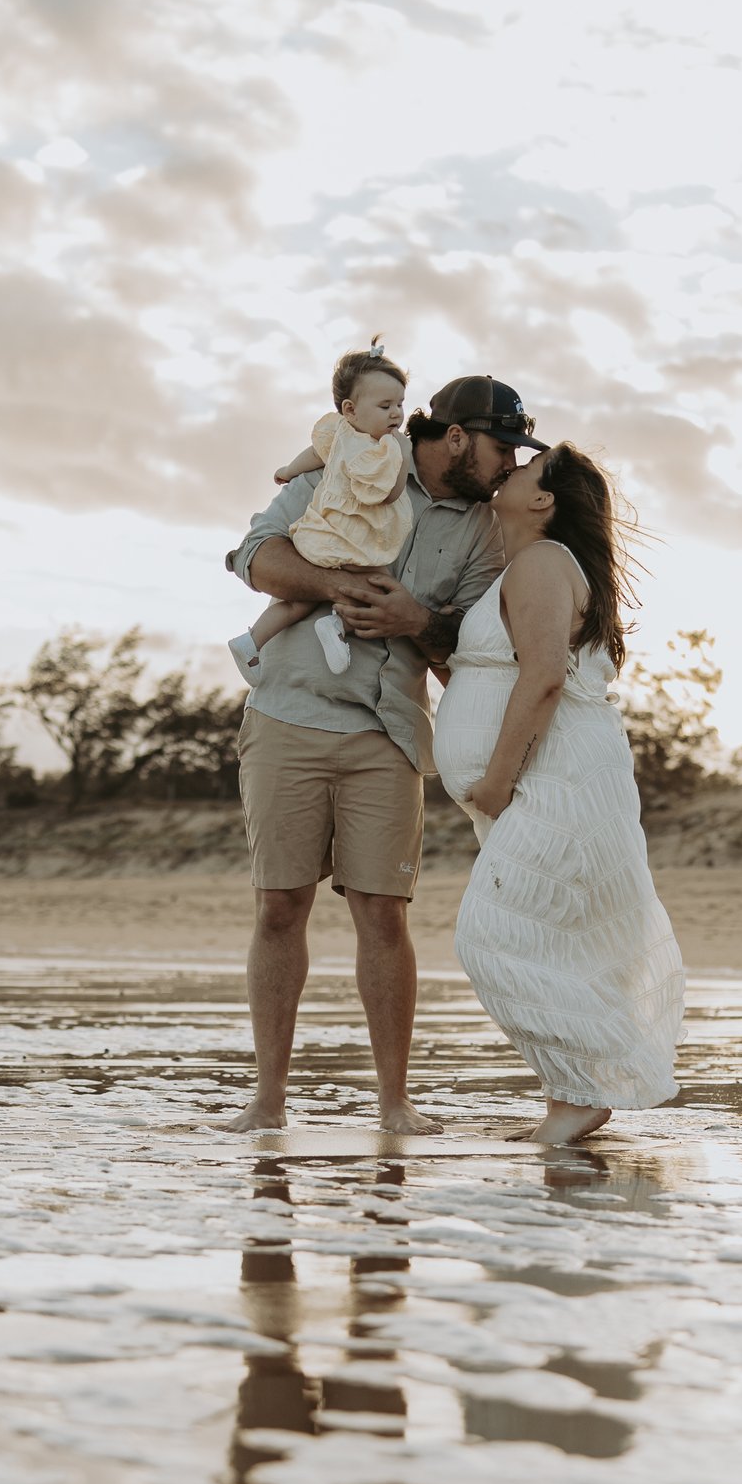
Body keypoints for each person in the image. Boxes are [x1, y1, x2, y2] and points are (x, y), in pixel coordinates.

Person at [221, 375, 543, 1135]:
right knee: (277, 908)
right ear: (458, 437)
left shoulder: (483, 534)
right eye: (502, 448)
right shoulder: (354, 459)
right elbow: (253, 556)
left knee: (383, 916)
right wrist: (339, 587)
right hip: (286, 716)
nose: (507, 465)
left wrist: (414, 617)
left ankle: (395, 1103)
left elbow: (466, 651)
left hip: (390, 734)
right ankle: (267, 1100)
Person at [435, 442, 686, 1145]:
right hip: (554, 777)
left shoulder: (543, 562)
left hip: (557, 778)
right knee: (554, 939)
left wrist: (494, 779)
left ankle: (584, 1090)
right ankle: (570, 1097)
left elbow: (544, 674)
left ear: (543, 500)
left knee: (489, 935)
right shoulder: (526, 567)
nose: (508, 469)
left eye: (523, 471)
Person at [231, 340, 413, 683]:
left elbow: (315, 453)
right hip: (352, 539)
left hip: (319, 534)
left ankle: (251, 641)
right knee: (381, 587)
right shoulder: (382, 451)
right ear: (351, 409)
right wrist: (401, 455)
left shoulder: (340, 433)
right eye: (386, 405)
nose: (396, 414)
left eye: (400, 404)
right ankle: (336, 625)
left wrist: (288, 469)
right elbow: (390, 494)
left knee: (299, 600)